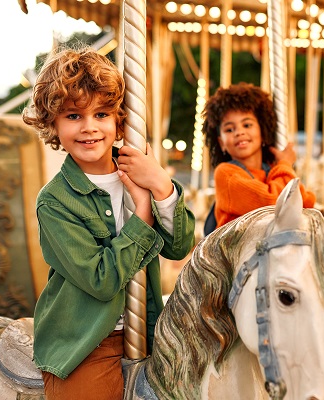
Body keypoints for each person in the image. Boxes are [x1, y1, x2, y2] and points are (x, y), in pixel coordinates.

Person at [22, 46, 196, 400]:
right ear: (52, 122)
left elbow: (180, 246)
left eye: (101, 114)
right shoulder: (55, 201)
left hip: (151, 326)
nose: (89, 128)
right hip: (86, 339)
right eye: (73, 116)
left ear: (119, 120)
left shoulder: (141, 171)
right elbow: (101, 281)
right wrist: (143, 212)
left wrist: (161, 185)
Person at [203, 82, 316, 229]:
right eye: (230, 129)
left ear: (262, 131)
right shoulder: (226, 174)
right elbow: (272, 205)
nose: (239, 132)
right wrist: (285, 165)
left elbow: (306, 202)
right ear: (221, 143)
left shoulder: (273, 170)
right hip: (239, 249)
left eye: (247, 125)